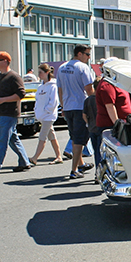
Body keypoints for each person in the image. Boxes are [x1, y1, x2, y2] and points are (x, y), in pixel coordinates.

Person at [57, 44, 96, 180]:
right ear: (79, 54)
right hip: (80, 106)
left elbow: (60, 89)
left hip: (68, 107)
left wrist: (62, 106)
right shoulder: (82, 67)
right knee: (80, 140)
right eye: (87, 54)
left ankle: (81, 164)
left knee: (74, 137)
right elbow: (89, 89)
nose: (88, 57)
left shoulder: (62, 67)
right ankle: (74, 170)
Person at [0, 51, 31, 174]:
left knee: (1, 140)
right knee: (13, 138)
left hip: (9, 113)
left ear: (6, 62)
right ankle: (24, 161)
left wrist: (3, 100)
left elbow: (20, 94)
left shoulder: (14, 76)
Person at [30, 64, 63, 166]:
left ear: (47, 73)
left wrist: (46, 111)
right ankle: (58, 156)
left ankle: (35, 157)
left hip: (48, 117)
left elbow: (53, 102)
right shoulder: (40, 87)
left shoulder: (53, 86)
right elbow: (37, 100)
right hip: (41, 116)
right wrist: (37, 111)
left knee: (42, 136)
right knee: (51, 136)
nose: (39, 75)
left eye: (41, 72)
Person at [83, 79, 100, 180]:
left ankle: (97, 173)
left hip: (92, 128)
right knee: (102, 152)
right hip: (101, 127)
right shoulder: (100, 99)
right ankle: (101, 173)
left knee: (96, 151)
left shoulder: (88, 100)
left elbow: (84, 115)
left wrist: (88, 124)